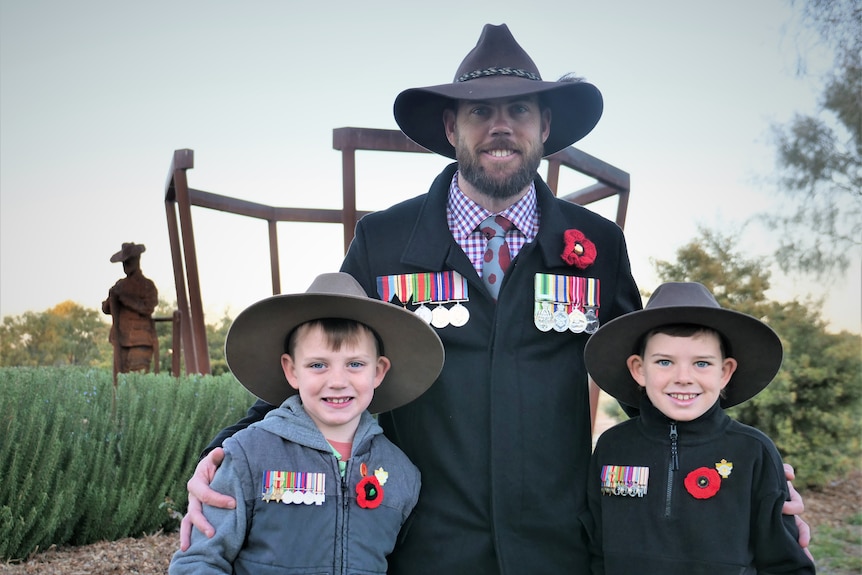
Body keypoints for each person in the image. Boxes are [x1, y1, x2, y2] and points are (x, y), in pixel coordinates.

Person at [181, 23, 809, 573]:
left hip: (557, 544)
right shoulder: (385, 238)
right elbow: (317, 360)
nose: (500, 126)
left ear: (545, 127)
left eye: (520, 110)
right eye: (481, 113)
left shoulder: (595, 243)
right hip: (423, 541)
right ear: (452, 126)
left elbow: (645, 374)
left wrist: (741, 476)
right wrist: (225, 453)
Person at [169, 272, 444, 574]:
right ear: (292, 370)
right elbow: (199, 561)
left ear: (378, 371)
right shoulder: (249, 455)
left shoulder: (401, 473)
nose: (337, 382)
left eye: (355, 364)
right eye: (318, 365)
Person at [583, 282, 815, 574]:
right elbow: (593, 550)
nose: (683, 377)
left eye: (702, 363)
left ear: (725, 371)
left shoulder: (753, 452)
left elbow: (787, 565)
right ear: (639, 369)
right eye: (664, 361)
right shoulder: (612, 446)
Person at [101, 242, 158, 374]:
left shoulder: (147, 285)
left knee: (138, 378)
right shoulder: (120, 285)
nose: (125, 266)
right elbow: (107, 309)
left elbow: (148, 307)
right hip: (120, 339)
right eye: (124, 263)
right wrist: (111, 298)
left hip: (141, 339)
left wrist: (125, 299)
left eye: (129, 261)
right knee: (121, 379)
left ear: (137, 260)